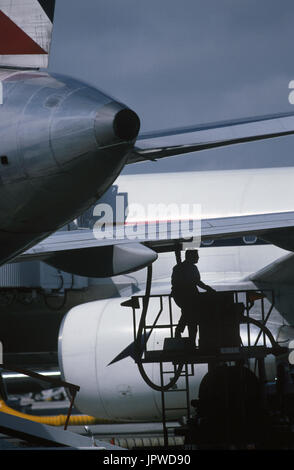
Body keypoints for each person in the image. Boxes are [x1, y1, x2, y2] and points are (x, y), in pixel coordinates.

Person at [171, 249, 215, 344]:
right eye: (196, 256)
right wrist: (209, 289)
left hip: (181, 297)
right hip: (189, 297)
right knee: (191, 318)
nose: (198, 257)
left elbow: (175, 283)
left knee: (187, 315)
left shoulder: (177, 268)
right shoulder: (192, 268)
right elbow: (197, 282)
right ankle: (186, 336)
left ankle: (179, 332)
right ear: (191, 257)